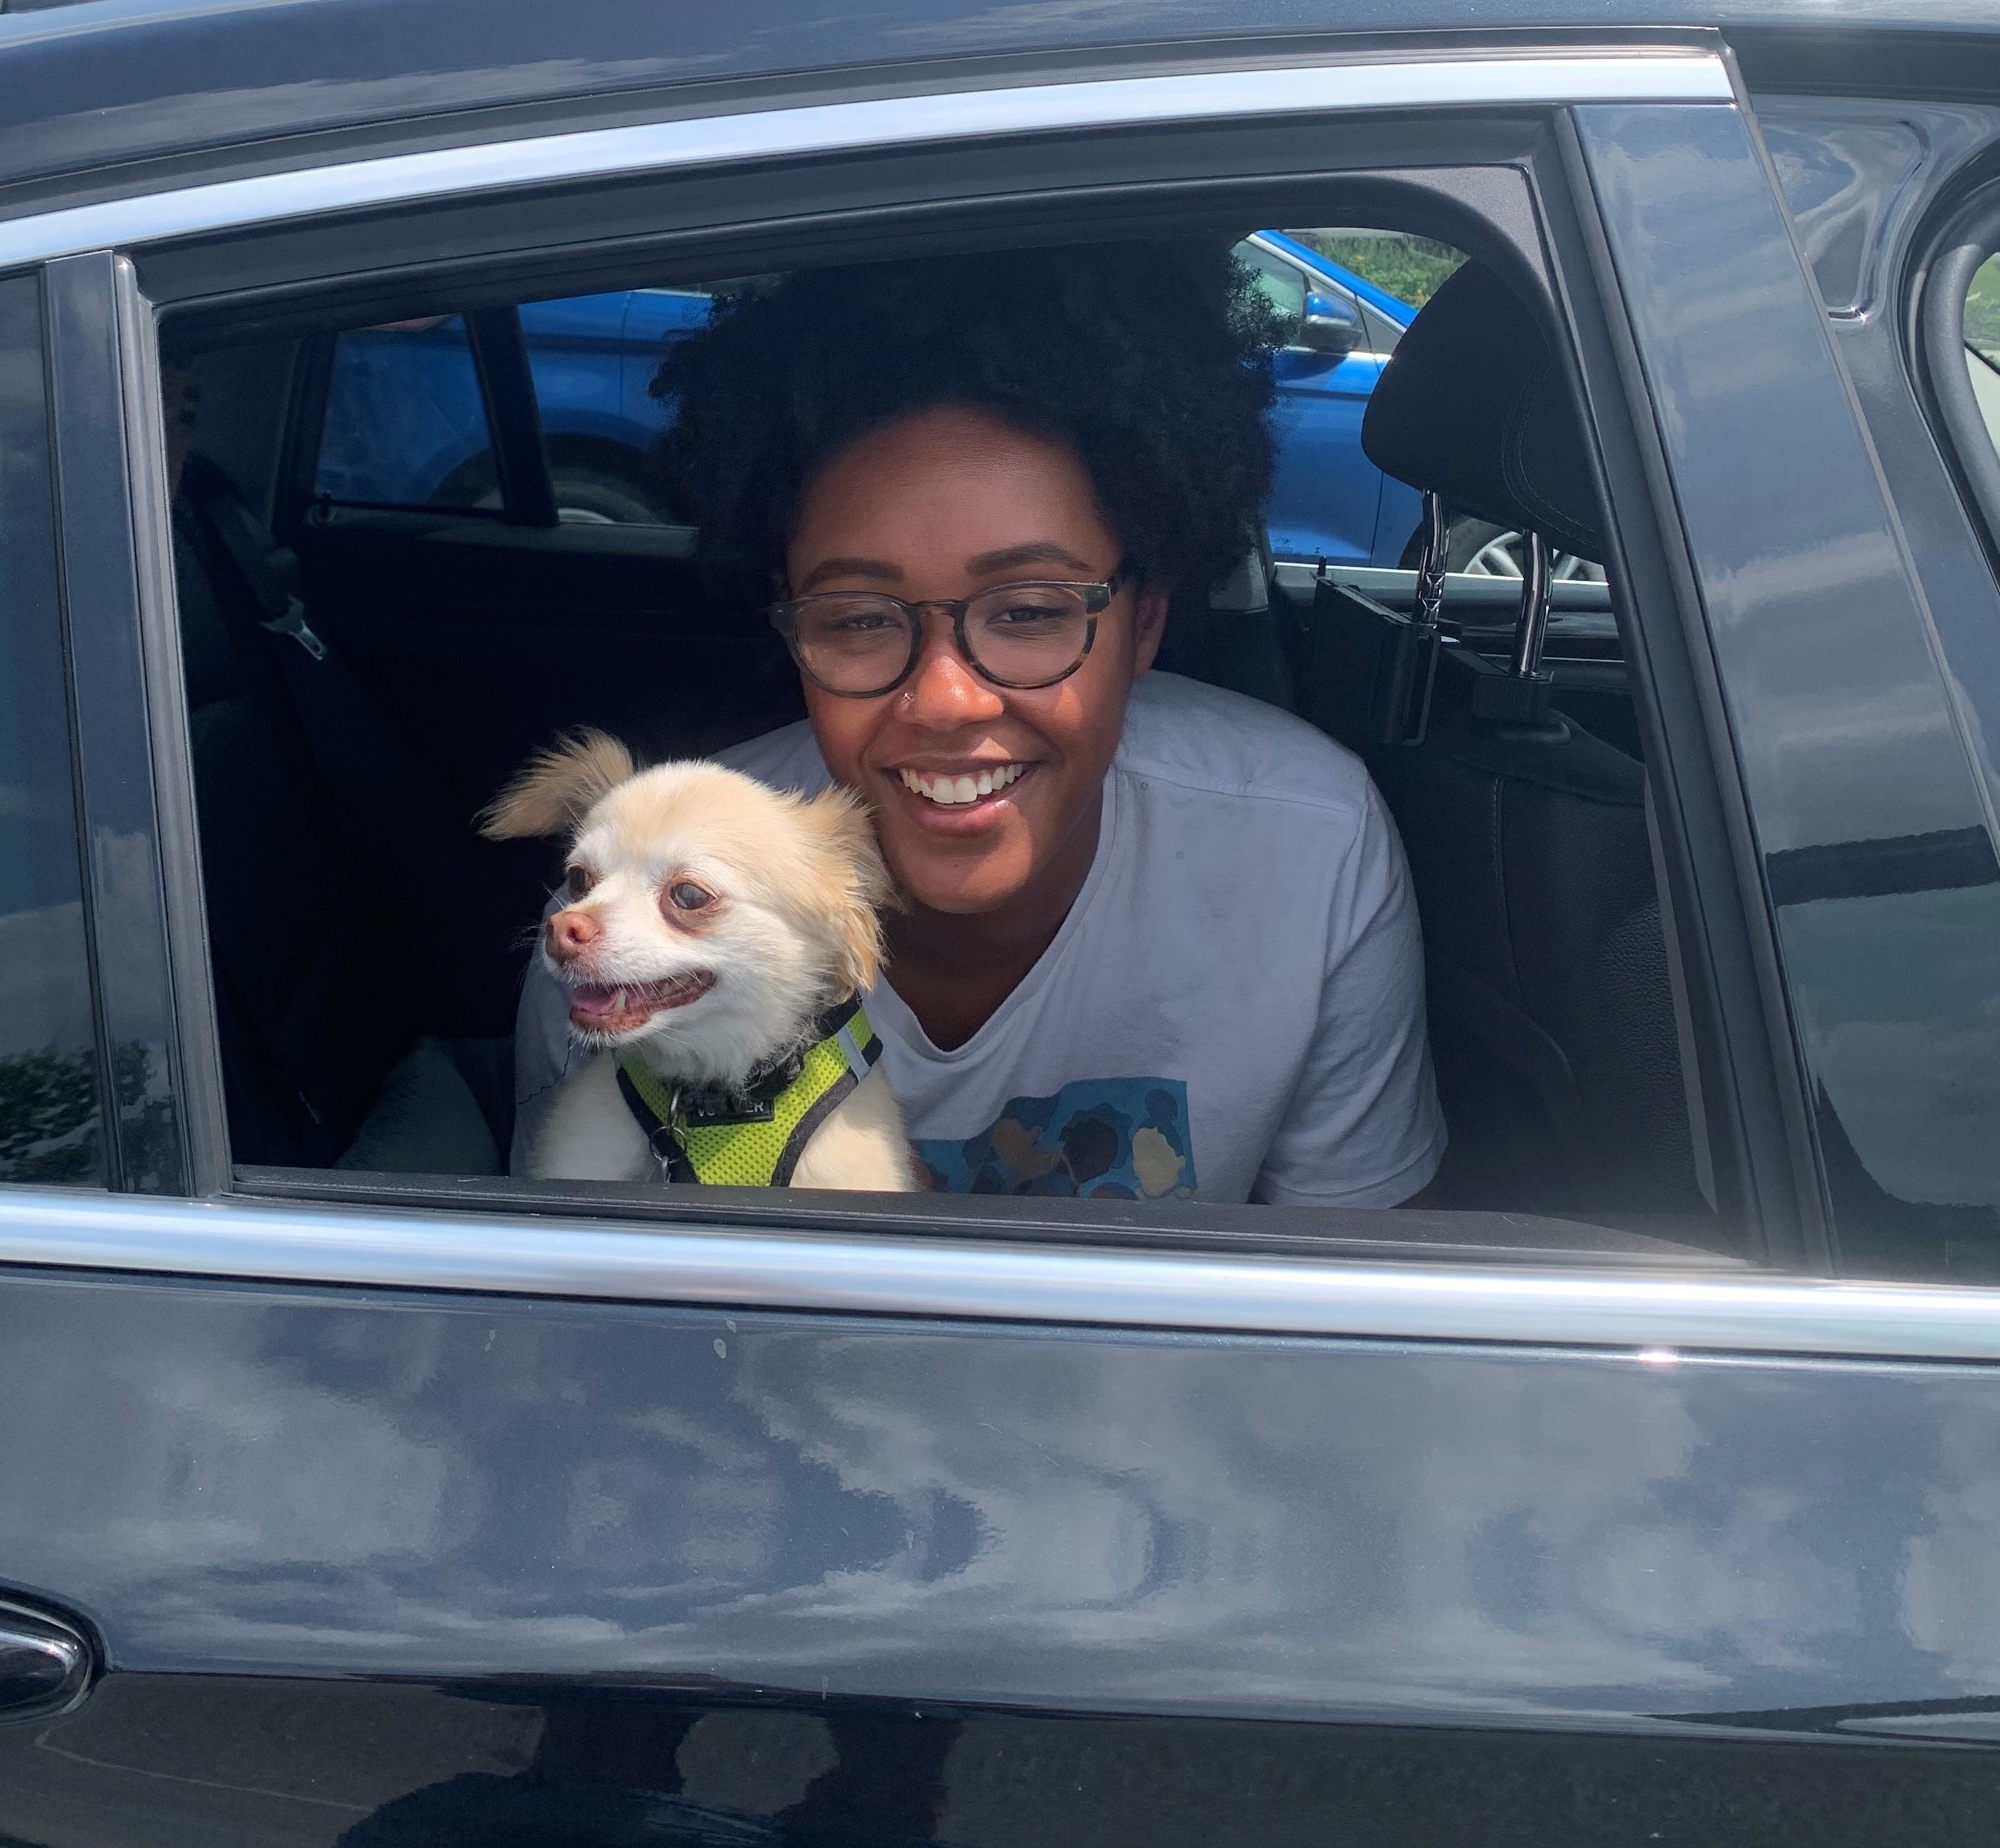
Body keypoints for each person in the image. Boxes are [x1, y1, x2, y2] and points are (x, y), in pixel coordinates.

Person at [514, 242, 1442, 1206]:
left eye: (1031, 610)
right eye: (863, 619)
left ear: (1147, 622)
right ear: (795, 632)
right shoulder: (630, 910)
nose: (948, 701)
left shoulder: (1307, 850)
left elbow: (1360, 1322)